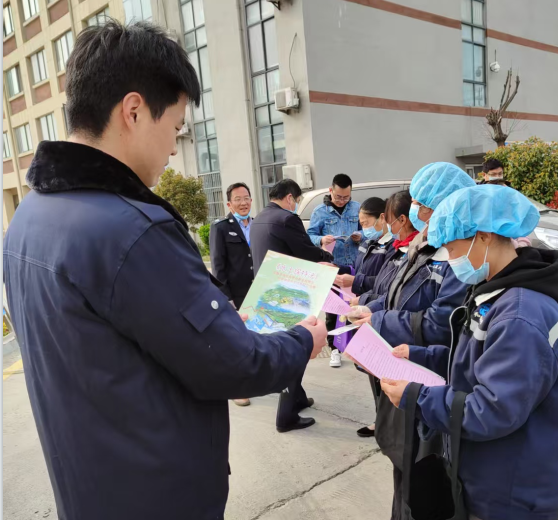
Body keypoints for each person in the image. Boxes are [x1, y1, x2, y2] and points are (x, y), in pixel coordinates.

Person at [3, 22, 328, 520]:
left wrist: (217, 324)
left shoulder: (30, 216)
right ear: (133, 110)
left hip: (89, 484)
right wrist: (304, 339)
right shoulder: (131, 230)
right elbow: (234, 365)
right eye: (176, 127)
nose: (175, 147)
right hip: (157, 492)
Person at [380, 184, 558, 520]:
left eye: (453, 248)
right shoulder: (498, 292)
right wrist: (421, 357)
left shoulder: (520, 315)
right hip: (487, 471)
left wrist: (417, 397)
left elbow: (493, 410)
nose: (450, 258)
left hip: (510, 489)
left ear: (484, 237)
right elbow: (477, 362)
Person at [349, 163, 474, 349]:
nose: (413, 210)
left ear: (445, 207)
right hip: (402, 350)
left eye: (419, 204)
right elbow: (399, 292)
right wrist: (371, 308)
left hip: (424, 355)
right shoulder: (422, 245)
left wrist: (382, 321)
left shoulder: (461, 258)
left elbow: (441, 323)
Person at [250, 178, 334, 432]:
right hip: (291, 295)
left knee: (287, 345)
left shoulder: (259, 219)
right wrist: (327, 255)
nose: (296, 205)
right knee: (296, 348)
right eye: (296, 200)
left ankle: (298, 398)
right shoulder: (287, 219)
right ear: (289, 198)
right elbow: (305, 251)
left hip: (268, 293)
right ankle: (286, 417)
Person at [329, 197, 393, 368]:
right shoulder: (367, 242)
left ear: (382, 218)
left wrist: (356, 281)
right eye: (362, 224)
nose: (364, 229)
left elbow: (386, 281)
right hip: (362, 305)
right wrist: (337, 269)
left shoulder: (392, 247)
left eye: (366, 223)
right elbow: (358, 269)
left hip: (378, 308)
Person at [307, 174, 362, 366]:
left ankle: (356, 349)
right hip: (332, 266)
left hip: (354, 265)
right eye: (338, 196)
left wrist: (359, 236)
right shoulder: (320, 211)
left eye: (346, 197)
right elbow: (310, 235)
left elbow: (367, 230)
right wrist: (321, 239)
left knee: (355, 308)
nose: (342, 200)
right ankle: (335, 349)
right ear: (331, 191)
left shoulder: (356, 208)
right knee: (332, 310)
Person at [210, 182, 256, 407]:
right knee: (236, 343)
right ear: (229, 204)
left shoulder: (257, 225)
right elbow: (218, 267)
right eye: (238, 199)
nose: (243, 203)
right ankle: (237, 389)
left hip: (258, 292)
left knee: (257, 340)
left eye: (246, 198)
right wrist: (226, 298)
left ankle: (256, 380)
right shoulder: (220, 228)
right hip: (235, 295)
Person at [352, 190, 418, 307]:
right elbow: (383, 283)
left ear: (402, 220)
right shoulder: (399, 247)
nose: (388, 226)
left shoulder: (413, 252)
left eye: (390, 221)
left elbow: (397, 297)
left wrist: (365, 300)